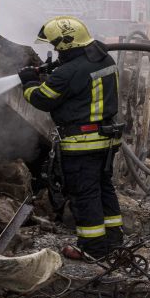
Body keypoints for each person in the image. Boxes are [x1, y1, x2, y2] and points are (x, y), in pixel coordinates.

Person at [19, 16, 123, 260]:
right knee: (103, 188)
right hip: (106, 139)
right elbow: (80, 79)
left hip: (82, 143)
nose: (54, 50)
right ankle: (114, 242)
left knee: (84, 195)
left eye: (56, 45)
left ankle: (93, 250)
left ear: (66, 44)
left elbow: (42, 99)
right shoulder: (103, 58)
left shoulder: (67, 73)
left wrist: (29, 82)